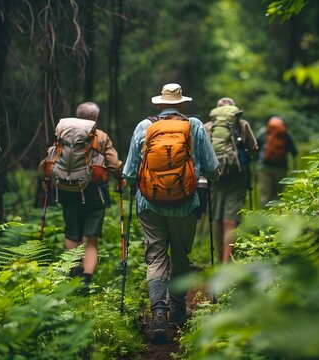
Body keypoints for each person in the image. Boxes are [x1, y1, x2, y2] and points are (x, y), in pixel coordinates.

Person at [122, 83, 219, 343]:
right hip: (185, 204)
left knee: (155, 259)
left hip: (149, 204)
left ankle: (159, 315)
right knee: (180, 255)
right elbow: (211, 167)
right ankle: (178, 311)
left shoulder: (144, 127)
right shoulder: (195, 125)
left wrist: (136, 185)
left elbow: (130, 174)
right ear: (182, 104)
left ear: (159, 105)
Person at [40, 102, 124, 292]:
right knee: (90, 239)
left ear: (77, 116)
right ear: (95, 118)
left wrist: (45, 179)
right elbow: (113, 164)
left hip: (66, 190)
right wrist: (120, 179)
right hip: (94, 192)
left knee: (71, 233)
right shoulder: (100, 136)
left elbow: (51, 157)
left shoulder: (63, 132)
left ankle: (73, 274)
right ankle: (86, 281)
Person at [204, 97, 258, 263]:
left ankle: (220, 260)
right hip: (237, 177)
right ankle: (228, 263)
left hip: (215, 179)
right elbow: (254, 147)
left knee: (218, 219)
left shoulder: (208, 127)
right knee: (231, 220)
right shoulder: (242, 124)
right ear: (234, 111)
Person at [256, 115, 298, 207]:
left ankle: (265, 218)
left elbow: (255, 149)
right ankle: (277, 218)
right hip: (281, 167)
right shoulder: (285, 134)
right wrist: (294, 169)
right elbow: (294, 152)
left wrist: (255, 164)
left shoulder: (263, 133)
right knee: (278, 194)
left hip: (264, 167)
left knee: (266, 194)